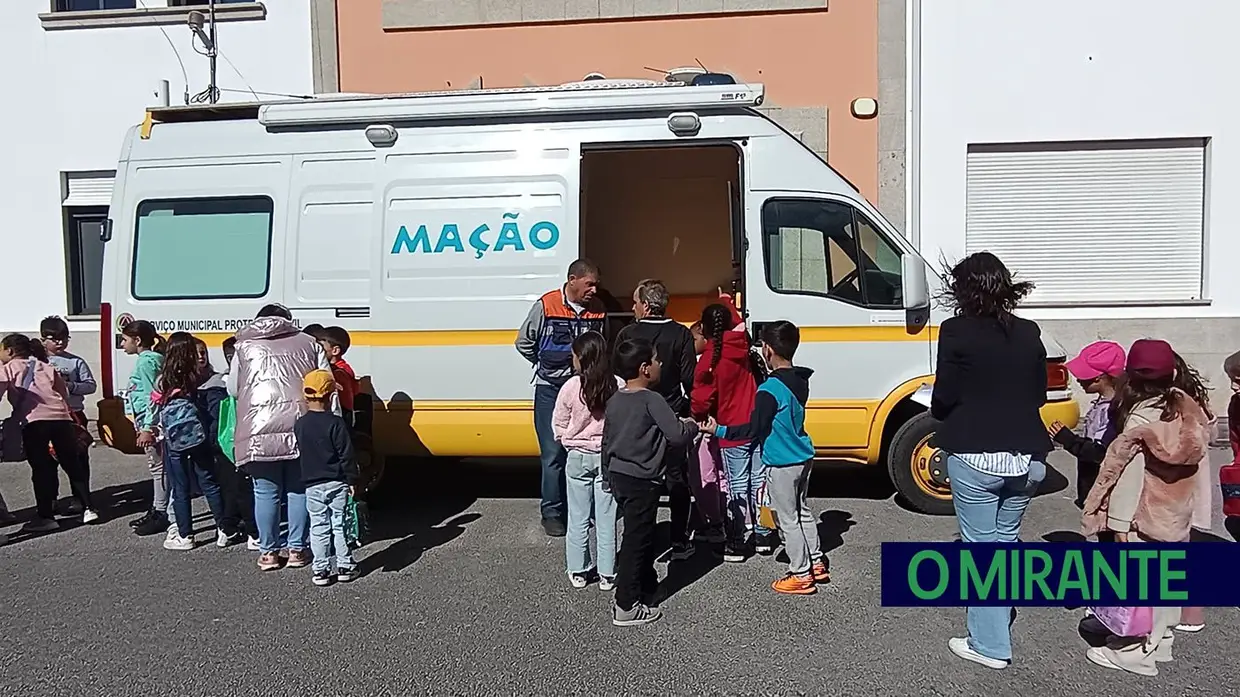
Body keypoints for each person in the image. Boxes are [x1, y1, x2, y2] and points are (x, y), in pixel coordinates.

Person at [931, 251, 1050, 671]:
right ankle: (997, 617)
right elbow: (1038, 396)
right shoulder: (1028, 330)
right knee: (1003, 542)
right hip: (1029, 457)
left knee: (981, 551)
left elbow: (943, 395)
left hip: (976, 454)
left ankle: (990, 645)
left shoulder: (955, 331)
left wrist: (944, 413)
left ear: (962, 290)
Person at [1080, 339, 1211, 676]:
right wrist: (1198, 513)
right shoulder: (1187, 408)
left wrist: (1119, 521)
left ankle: (1134, 653)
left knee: (1139, 586)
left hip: (1144, 514)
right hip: (1175, 514)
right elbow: (1200, 466)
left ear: (1132, 376)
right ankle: (1162, 641)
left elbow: (1130, 473)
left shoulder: (1141, 415)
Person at [703, 321, 827, 594]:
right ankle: (816, 561)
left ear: (768, 350)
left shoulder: (769, 389)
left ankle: (801, 572)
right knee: (803, 511)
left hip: (782, 461)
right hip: (803, 455)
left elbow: (753, 429)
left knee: (787, 518)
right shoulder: (799, 380)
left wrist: (719, 429)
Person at [601, 338, 698, 627]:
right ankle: (626, 605)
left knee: (637, 534)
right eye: (656, 360)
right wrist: (692, 424)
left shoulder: (616, 399)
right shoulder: (652, 400)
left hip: (619, 475)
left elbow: (606, 441)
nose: (661, 364)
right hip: (643, 479)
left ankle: (647, 586)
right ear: (645, 368)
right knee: (637, 540)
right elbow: (677, 435)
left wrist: (606, 475)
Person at [228, 303, 332, 571]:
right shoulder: (309, 343)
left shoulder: (244, 345)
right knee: (298, 489)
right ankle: (297, 549)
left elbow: (233, 389)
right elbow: (326, 382)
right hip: (302, 424)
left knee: (265, 492)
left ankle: (268, 553)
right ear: (287, 320)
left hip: (258, 427)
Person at [515, 259, 606, 537]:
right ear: (572, 280)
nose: (593, 290)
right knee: (553, 454)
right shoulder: (547, 305)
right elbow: (524, 342)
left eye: (595, 285)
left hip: (585, 391)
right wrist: (547, 365)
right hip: (551, 390)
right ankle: (552, 513)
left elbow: (602, 346)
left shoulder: (598, 311)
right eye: (589, 284)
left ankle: (582, 512)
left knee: (583, 452)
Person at [615, 279, 697, 559]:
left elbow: (618, 375)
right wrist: (689, 410)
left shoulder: (627, 333)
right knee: (676, 478)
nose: (633, 307)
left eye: (635, 302)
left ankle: (638, 537)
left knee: (637, 475)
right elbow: (690, 378)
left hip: (634, 415)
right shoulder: (681, 334)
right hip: (671, 412)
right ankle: (679, 540)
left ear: (646, 306)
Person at [692, 300, 768, 562]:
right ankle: (763, 535)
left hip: (730, 427)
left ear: (704, 328)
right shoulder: (742, 346)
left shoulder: (710, 359)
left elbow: (701, 399)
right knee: (758, 482)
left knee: (736, 485)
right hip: (756, 423)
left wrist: (697, 416)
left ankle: (737, 542)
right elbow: (735, 320)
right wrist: (726, 300)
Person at [0, 334, 97, 531]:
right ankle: (88, 508)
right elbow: (63, 393)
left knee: (41, 468)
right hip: (61, 419)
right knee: (71, 463)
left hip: (34, 422)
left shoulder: (8, 368)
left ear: (9, 351)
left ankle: (46, 517)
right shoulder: (45, 366)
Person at [153, 333, 237, 551]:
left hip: (174, 439)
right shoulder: (197, 376)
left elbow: (155, 401)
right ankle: (223, 528)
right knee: (209, 481)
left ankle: (185, 535)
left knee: (180, 487)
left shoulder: (165, 377)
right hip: (198, 434)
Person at [552, 331, 622, 590]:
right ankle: (607, 572)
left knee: (578, 516)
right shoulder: (617, 385)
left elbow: (558, 422)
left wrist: (565, 439)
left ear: (581, 358)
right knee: (607, 517)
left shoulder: (570, 386)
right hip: (606, 456)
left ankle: (578, 569)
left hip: (578, 456)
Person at [296, 369, 359, 586]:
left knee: (318, 526)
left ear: (305, 395)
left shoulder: (300, 424)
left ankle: (320, 569)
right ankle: (345, 565)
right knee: (339, 524)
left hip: (312, 483)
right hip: (337, 481)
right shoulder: (336, 423)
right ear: (332, 395)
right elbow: (346, 454)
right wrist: (352, 479)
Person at [1049, 341, 1126, 511]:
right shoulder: (1104, 403)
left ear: (1099, 377)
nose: (1078, 379)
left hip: (1104, 490)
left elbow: (1099, 453)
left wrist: (1068, 439)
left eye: (1083, 375)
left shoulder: (1112, 411)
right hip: (1093, 486)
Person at [40, 316, 97, 518]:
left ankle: (79, 498)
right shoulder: (38, 362)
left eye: (64, 338)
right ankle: (51, 498)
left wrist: (70, 386)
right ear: (42, 339)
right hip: (45, 416)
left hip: (73, 415)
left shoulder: (75, 362)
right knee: (47, 461)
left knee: (78, 458)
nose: (59, 342)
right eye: (54, 338)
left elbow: (91, 385)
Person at [193, 337, 247, 548]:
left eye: (203, 352)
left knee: (231, 485)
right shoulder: (218, 383)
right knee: (229, 485)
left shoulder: (217, 381)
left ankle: (229, 526)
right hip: (222, 441)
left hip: (225, 440)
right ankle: (229, 526)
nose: (201, 357)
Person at [119, 320, 170, 536]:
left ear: (137, 340)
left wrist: (148, 427)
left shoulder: (147, 362)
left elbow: (154, 396)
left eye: (124, 340)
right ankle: (158, 507)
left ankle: (161, 511)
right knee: (157, 467)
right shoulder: (147, 360)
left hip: (152, 422)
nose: (122, 345)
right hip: (146, 419)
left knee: (158, 468)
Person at [315, 326, 359, 426]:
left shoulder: (338, 373)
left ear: (335, 350)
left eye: (321, 348)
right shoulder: (345, 368)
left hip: (340, 418)